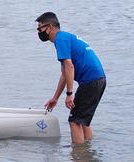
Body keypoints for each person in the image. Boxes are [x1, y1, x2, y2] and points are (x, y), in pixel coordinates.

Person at [36, 12, 106, 144]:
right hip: (99, 80)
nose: (39, 31)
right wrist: (55, 98)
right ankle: (87, 152)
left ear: (50, 27)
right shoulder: (66, 38)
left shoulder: (60, 39)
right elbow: (65, 73)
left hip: (90, 81)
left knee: (74, 121)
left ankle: (79, 156)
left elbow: (69, 66)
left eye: (40, 28)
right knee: (83, 121)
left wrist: (69, 94)